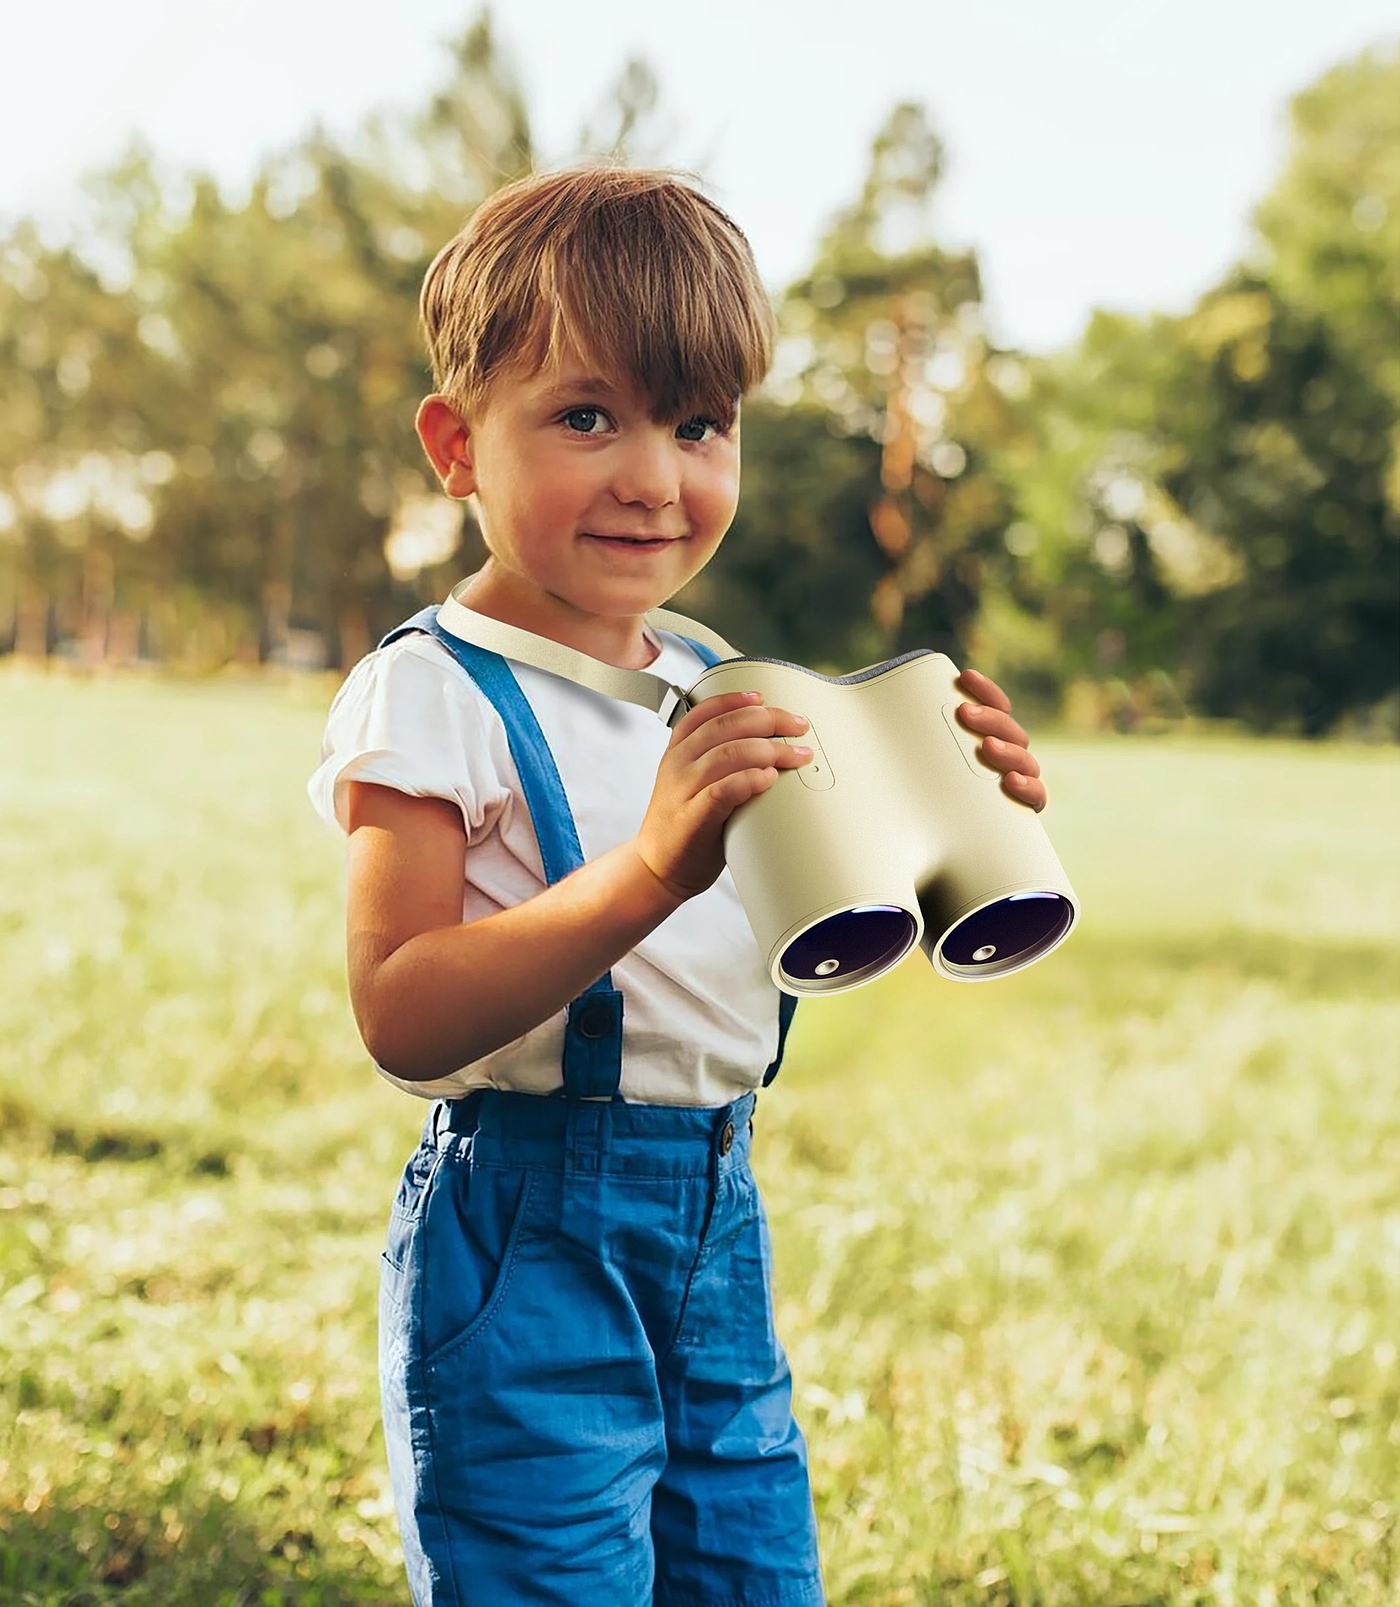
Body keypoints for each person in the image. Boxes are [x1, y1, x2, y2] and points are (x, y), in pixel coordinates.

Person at [308, 165, 1047, 1607]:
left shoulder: (710, 673)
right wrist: (647, 871)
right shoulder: (430, 695)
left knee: (750, 1569)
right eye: (588, 416)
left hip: (716, 1209)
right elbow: (400, 1012)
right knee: (552, 1571)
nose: (654, 476)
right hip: (528, 1231)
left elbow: (823, 914)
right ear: (458, 445)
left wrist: (964, 813)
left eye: (698, 424)